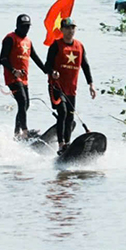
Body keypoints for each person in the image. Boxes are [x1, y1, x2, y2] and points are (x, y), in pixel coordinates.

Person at [43, 17, 96, 153]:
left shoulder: (79, 46)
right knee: (63, 112)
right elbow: (46, 66)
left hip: (71, 89)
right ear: (61, 30)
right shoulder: (56, 45)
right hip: (56, 86)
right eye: (67, 28)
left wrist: (91, 84)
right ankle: (60, 145)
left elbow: (85, 65)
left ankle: (67, 143)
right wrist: (53, 72)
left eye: (72, 28)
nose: (70, 31)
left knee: (70, 117)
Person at [0, 13, 46, 139]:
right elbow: (2, 59)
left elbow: (35, 57)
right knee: (22, 101)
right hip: (12, 77)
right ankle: (24, 132)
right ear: (17, 26)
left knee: (26, 105)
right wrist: (14, 71)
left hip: (24, 78)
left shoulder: (28, 41)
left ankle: (16, 133)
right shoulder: (10, 38)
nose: (26, 29)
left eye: (28, 27)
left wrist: (47, 71)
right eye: (24, 26)